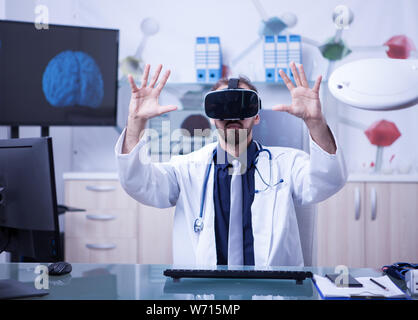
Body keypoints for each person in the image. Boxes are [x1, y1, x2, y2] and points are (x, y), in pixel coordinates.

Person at [115, 62, 347, 267]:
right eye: (223, 106)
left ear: (256, 115)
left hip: (272, 292)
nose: (233, 114)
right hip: (206, 296)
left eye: (242, 105)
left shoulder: (287, 164)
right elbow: (139, 184)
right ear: (212, 116)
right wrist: (136, 123)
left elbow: (327, 180)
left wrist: (316, 123)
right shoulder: (185, 168)